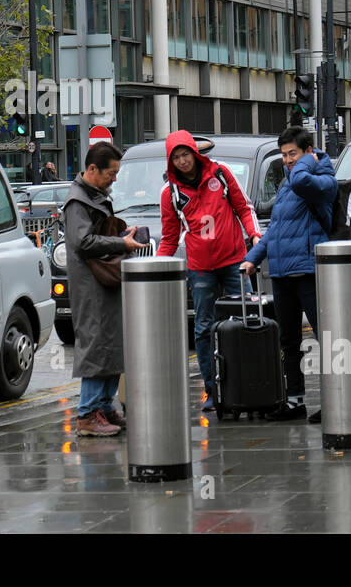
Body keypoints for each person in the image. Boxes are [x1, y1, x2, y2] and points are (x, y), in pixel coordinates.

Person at [156, 130, 261, 413]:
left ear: (195, 153)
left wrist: (254, 236)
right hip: (200, 268)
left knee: (247, 320)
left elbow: (244, 207)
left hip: (235, 261)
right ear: (170, 161)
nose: (182, 161)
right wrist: (154, 269)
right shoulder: (171, 193)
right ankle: (212, 389)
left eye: (185, 154)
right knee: (203, 328)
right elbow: (169, 237)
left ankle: (251, 383)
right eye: (176, 157)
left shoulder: (221, 174)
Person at [240, 126, 336, 422]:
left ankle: (337, 401)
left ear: (308, 151)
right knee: (288, 340)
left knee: (327, 338)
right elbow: (277, 229)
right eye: (283, 155)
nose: (287, 160)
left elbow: (304, 179)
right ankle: (295, 401)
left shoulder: (322, 179)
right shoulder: (287, 184)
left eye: (292, 153)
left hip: (308, 270)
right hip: (283, 272)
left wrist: (309, 159)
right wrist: (253, 258)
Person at [63, 141, 147, 437]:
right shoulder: (77, 202)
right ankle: (87, 415)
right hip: (91, 284)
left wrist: (122, 235)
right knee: (96, 347)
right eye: (111, 173)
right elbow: (82, 243)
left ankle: (104, 406)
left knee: (112, 345)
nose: (114, 178)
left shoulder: (94, 195)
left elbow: (97, 235)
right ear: (92, 169)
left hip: (105, 280)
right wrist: (121, 243)